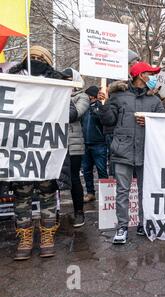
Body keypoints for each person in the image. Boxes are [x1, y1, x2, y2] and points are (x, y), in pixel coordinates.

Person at [8, 46, 74, 260]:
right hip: (21, 152)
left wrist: (65, 99)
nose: (36, 60)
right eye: (32, 57)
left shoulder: (58, 84)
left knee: (47, 196)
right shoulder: (11, 81)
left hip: (46, 153)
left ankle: (47, 236)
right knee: (22, 197)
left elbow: (71, 113)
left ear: (47, 61)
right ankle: (25, 238)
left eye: (40, 58)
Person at [99, 62, 165, 244]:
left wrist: (151, 122)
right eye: (150, 74)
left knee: (146, 191)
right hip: (122, 151)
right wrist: (103, 103)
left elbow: (164, 124)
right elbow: (108, 121)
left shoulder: (155, 101)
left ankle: (144, 223)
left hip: (146, 153)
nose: (153, 77)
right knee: (122, 191)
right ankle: (122, 227)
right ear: (140, 75)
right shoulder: (118, 97)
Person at [62, 68, 90, 228]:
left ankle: (79, 212)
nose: (65, 83)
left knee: (73, 178)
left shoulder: (82, 97)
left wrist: (63, 97)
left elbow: (73, 115)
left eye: (68, 80)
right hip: (57, 143)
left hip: (73, 145)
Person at [81, 86, 109, 203]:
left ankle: (105, 194)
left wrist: (98, 107)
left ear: (91, 96)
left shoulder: (100, 106)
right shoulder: (83, 108)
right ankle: (90, 193)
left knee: (101, 170)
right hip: (85, 144)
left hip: (99, 144)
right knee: (86, 170)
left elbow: (105, 120)